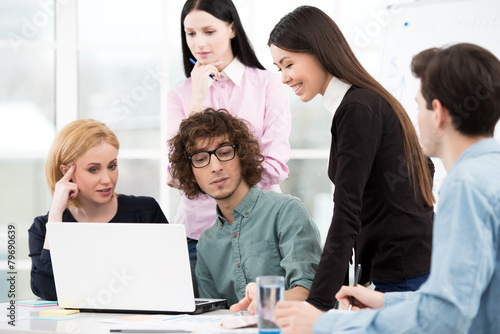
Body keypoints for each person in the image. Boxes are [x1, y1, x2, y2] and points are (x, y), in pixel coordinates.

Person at [274, 43, 500, 334]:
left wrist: (326, 323)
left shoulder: (466, 187)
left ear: (438, 113)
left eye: (418, 106)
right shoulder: (489, 172)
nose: (414, 117)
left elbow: (444, 317)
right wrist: (387, 302)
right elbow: (466, 299)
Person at [267, 5, 435, 311]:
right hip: (402, 271)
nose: (283, 78)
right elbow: (422, 169)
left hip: (403, 277)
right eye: (279, 68)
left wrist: (316, 306)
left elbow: (346, 212)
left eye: (288, 64)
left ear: (317, 51)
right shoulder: (362, 102)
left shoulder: (357, 108)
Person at [167, 0, 291, 296]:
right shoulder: (179, 96)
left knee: (263, 319)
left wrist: (208, 175)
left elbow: (275, 167)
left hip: (260, 233)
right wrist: (196, 99)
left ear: (232, 27)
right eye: (191, 34)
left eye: (209, 31)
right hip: (197, 236)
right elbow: (176, 175)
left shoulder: (267, 85)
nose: (199, 43)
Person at [168, 108, 321, 309]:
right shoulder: (206, 244)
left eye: (224, 152)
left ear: (242, 155)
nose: (215, 167)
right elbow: (213, 318)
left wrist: (266, 301)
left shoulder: (286, 212)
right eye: (201, 159)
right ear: (190, 174)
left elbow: (310, 292)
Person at [29, 119, 168, 301]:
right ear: (66, 172)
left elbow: (168, 279)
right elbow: (46, 290)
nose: (107, 179)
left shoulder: (146, 212)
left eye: (112, 166)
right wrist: (55, 216)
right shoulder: (43, 227)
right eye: (93, 169)